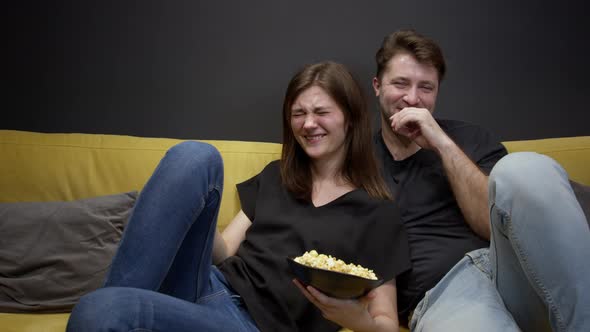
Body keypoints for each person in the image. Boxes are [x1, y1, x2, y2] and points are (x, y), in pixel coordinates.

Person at [66, 61, 411, 332]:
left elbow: (384, 322)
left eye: (321, 112)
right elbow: (226, 250)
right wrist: (185, 211)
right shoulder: (277, 175)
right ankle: (119, 297)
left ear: (350, 119)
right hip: (208, 285)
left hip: (251, 326)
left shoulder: (378, 212)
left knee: (98, 310)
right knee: (195, 157)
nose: (308, 124)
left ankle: (115, 305)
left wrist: (352, 317)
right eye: (298, 113)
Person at [371, 29, 589, 331]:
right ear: (377, 86)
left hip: (517, 272)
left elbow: (490, 223)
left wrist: (441, 144)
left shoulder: (472, 138)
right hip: (447, 293)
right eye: (400, 84)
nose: (413, 98)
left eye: (426, 87)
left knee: (522, 168)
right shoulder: (360, 164)